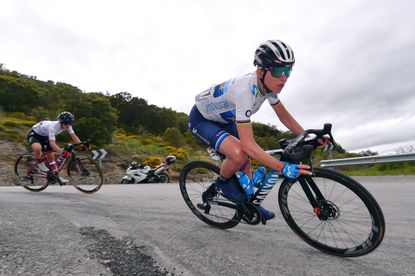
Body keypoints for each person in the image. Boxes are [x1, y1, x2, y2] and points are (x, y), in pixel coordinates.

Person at [188, 39, 314, 222]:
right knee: (240, 153)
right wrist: (282, 167)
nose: (284, 78)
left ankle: (250, 203)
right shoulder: (245, 91)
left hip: (225, 119)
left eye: (288, 71)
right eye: (279, 71)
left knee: (247, 158)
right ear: (261, 71)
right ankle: (223, 184)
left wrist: (307, 136)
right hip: (201, 119)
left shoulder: (268, 88)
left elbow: (283, 116)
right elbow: (248, 146)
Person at [27, 111, 82, 183]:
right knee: (37, 148)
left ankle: (56, 176)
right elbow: (52, 144)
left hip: (45, 136)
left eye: (70, 123)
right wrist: (62, 152)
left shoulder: (68, 125)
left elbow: (73, 135)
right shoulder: (53, 127)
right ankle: (40, 163)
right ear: (61, 122)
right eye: (66, 123)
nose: (68, 125)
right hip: (35, 134)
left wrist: (81, 144)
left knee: (51, 156)